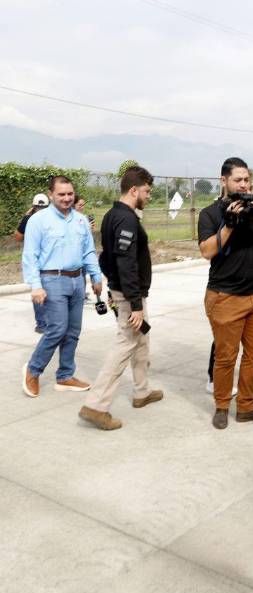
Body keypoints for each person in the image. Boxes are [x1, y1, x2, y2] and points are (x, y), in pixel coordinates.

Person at [198, 157, 253, 429]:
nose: (243, 184)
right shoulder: (210, 214)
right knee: (226, 357)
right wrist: (229, 224)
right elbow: (207, 252)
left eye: (246, 179)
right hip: (225, 296)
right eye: (238, 179)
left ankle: (247, 406)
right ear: (223, 181)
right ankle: (222, 406)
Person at [78, 166, 163, 430]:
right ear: (134, 189)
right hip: (129, 295)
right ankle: (96, 405)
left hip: (123, 292)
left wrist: (114, 286)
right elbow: (126, 262)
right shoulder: (126, 219)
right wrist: (134, 304)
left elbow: (106, 257)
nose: (148, 196)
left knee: (142, 341)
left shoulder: (112, 215)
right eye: (147, 191)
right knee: (125, 343)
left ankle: (141, 392)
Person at [21, 176, 103, 398]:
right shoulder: (38, 221)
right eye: (61, 194)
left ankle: (65, 375)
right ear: (51, 195)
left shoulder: (80, 220)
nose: (67, 198)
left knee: (73, 331)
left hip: (78, 280)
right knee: (57, 329)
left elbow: (88, 251)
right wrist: (36, 286)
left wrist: (96, 276)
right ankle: (33, 369)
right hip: (51, 280)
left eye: (70, 194)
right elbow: (30, 256)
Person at [15, 193, 50, 333]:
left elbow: (17, 237)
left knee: (37, 290)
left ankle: (41, 324)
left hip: (35, 261)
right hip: (49, 261)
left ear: (33, 206)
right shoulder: (53, 218)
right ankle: (49, 322)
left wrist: (25, 218)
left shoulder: (29, 219)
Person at [73, 195, 96, 302]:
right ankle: (79, 294)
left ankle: (82, 293)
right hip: (76, 252)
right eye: (79, 205)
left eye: (83, 205)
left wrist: (90, 228)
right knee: (78, 274)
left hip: (84, 251)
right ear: (74, 205)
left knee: (84, 273)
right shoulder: (71, 218)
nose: (82, 207)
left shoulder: (84, 218)